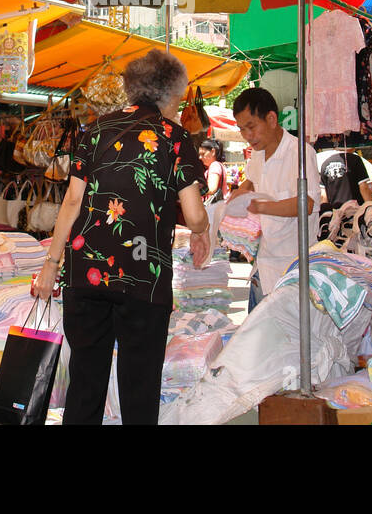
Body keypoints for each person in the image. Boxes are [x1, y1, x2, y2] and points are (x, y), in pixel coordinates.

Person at [34, 50, 209, 425]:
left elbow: (72, 202)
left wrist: (51, 266)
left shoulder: (94, 130)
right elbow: (194, 215)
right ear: (170, 94)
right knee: (139, 389)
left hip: (85, 275)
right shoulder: (175, 137)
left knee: (85, 384)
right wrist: (203, 230)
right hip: (143, 280)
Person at [230, 87, 321, 310]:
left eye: (251, 127)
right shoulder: (257, 155)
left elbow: (306, 204)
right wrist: (236, 196)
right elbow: (251, 180)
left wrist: (259, 207)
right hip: (263, 264)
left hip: (293, 268)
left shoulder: (300, 152)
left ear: (271, 118)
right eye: (242, 130)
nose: (248, 136)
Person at [198, 138, 228, 203]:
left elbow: (212, 189)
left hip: (214, 208)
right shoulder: (219, 165)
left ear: (213, 152)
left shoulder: (214, 165)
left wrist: (193, 192)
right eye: (199, 155)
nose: (200, 157)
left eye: (203, 154)